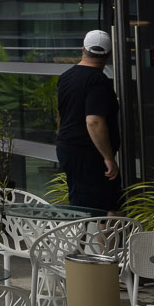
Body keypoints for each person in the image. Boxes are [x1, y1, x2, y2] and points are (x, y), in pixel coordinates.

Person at [56, 29, 122, 212]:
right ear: (108, 55)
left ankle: (88, 241)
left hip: (68, 148)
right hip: (88, 153)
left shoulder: (66, 77)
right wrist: (108, 158)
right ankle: (104, 242)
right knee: (107, 208)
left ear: (83, 48)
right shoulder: (97, 80)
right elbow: (93, 121)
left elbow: (71, 108)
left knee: (87, 206)